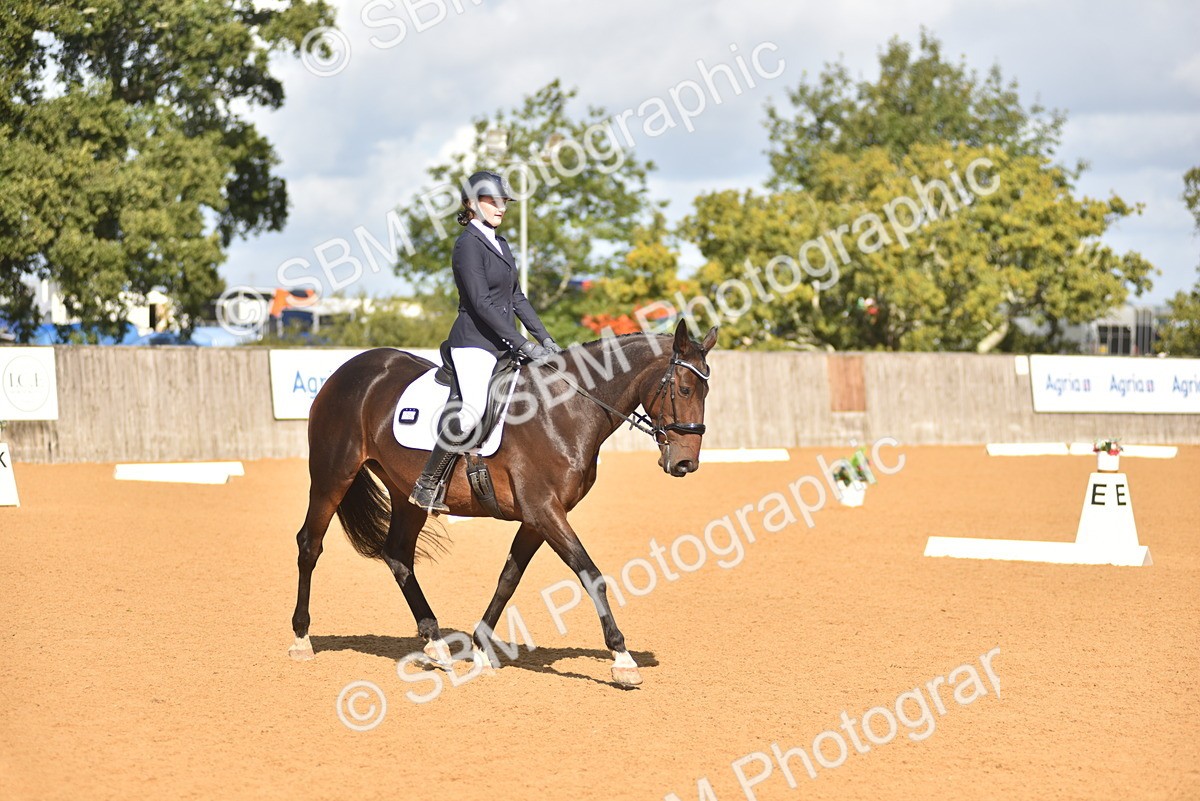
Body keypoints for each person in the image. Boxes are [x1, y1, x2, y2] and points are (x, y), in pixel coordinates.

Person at [408, 170, 563, 514]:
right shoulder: (467, 245)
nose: (501, 207)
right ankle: (427, 485)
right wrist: (524, 346)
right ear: (471, 204)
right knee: (472, 410)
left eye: (503, 201)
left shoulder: (501, 244)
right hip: (474, 344)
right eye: (492, 200)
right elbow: (481, 304)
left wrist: (545, 338)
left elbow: (517, 297)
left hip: (503, 343)